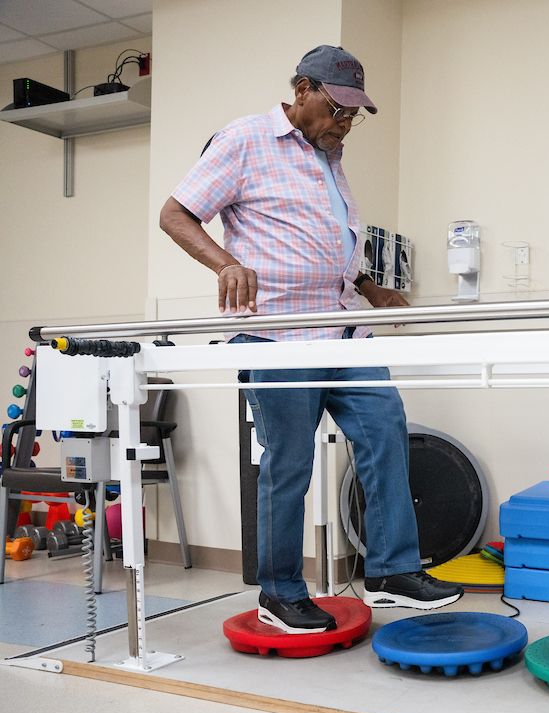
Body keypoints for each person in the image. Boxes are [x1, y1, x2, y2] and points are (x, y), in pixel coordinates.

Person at [158, 45, 462, 634]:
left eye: (354, 113)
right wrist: (224, 264)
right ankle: (279, 591)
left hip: (342, 329)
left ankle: (393, 572)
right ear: (302, 89)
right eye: (337, 108)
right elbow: (176, 213)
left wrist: (370, 286)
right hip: (278, 335)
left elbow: (326, 242)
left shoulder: (330, 154)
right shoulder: (246, 140)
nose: (345, 121)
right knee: (289, 463)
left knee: (385, 433)